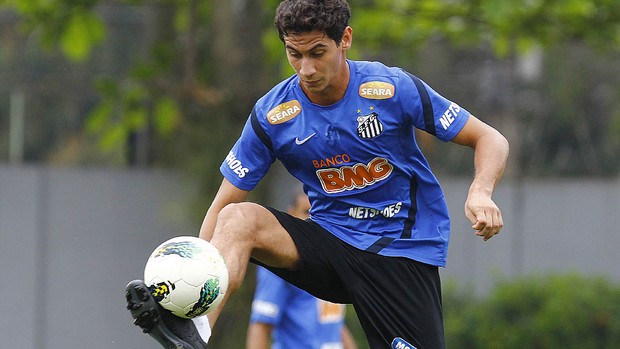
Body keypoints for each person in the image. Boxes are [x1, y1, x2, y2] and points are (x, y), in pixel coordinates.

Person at [125, 0, 509, 348]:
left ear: (345, 39)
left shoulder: (391, 88)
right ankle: (193, 332)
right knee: (237, 218)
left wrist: (480, 191)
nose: (306, 69)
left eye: (317, 53)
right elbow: (222, 202)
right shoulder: (273, 114)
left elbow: (489, 138)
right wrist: (192, 276)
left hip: (399, 250)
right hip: (329, 244)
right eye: (294, 54)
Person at [246, 190, 357, 349]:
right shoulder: (279, 263)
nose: (313, 219)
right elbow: (261, 325)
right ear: (291, 214)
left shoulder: (334, 258)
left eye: (319, 212)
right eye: (306, 212)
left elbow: (333, 321)